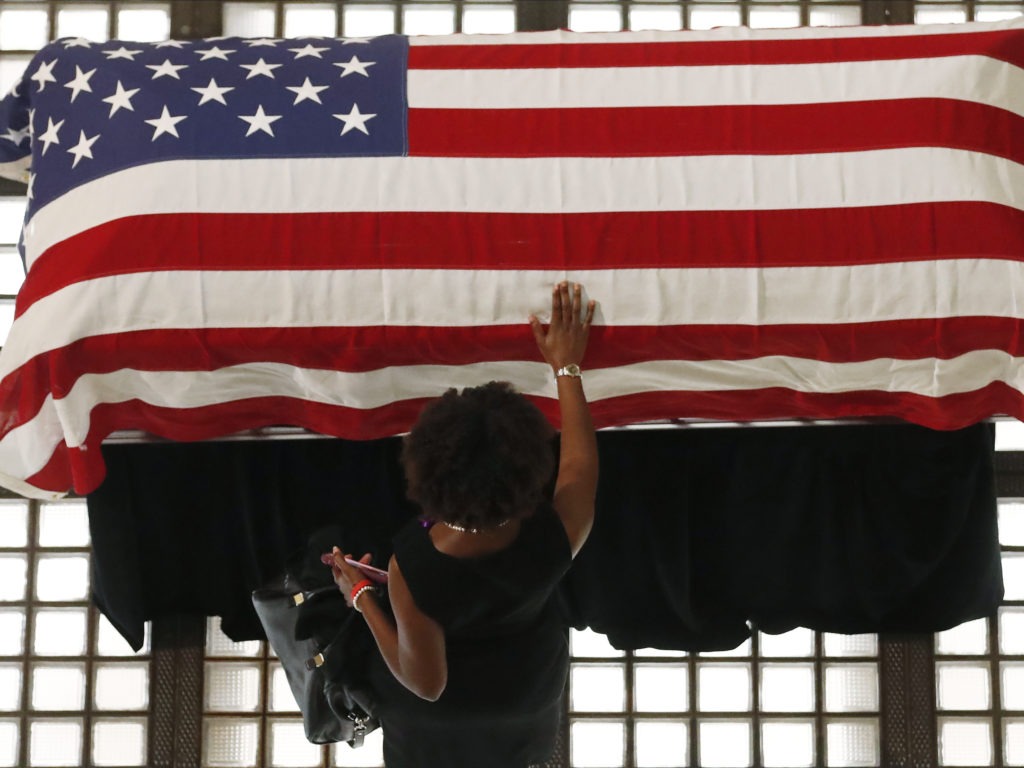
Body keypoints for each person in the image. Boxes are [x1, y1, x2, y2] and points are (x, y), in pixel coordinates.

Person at [328, 281, 598, 767]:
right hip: (521, 702)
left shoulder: (412, 568)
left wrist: (364, 597)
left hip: (449, 721)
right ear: (530, 472)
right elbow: (579, 463)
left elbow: (427, 684)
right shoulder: (554, 538)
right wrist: (566, 362)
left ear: (424, 474)